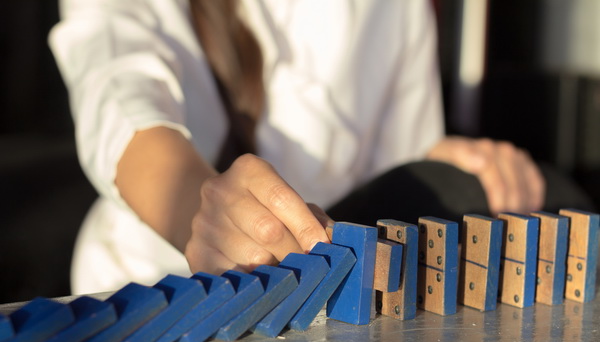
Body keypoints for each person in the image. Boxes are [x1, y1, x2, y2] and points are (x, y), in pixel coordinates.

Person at [49, 0, 589, 295]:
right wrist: (201, 210)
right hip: (157, 283)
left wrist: (455, 162)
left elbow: (393, 168)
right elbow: (118, 96)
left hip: (331, 281)